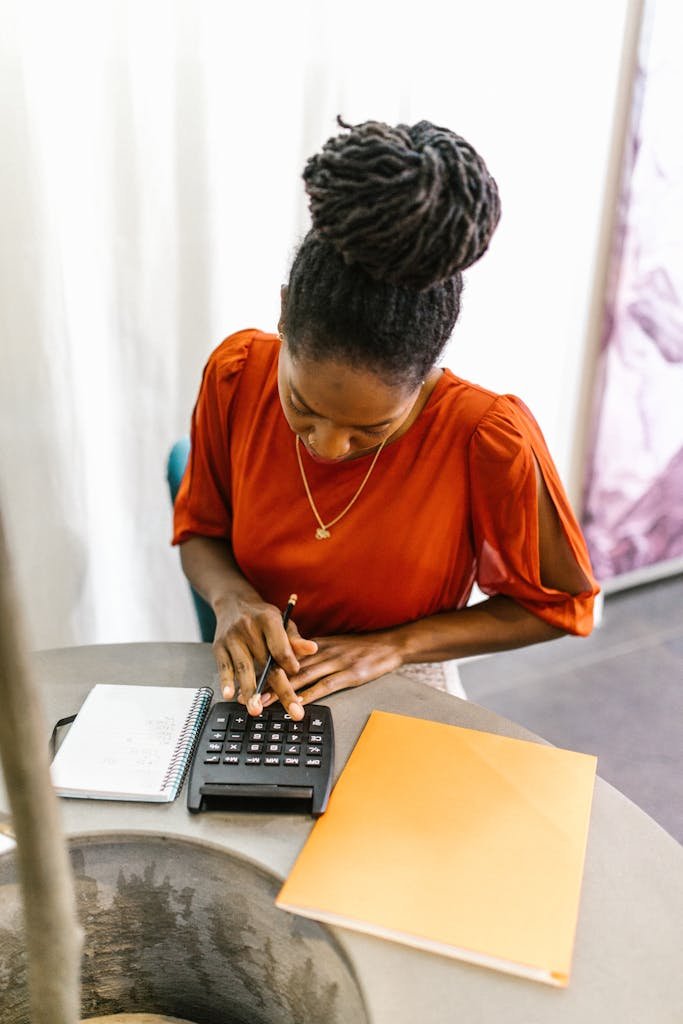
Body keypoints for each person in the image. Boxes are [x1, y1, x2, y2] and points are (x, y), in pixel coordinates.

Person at [172, 117, 599, 721]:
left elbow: (559, 605)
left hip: (403, 678)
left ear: (427, 372)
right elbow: (200, 530)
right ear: (285, 313)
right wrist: (232, 598)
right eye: (303, 407)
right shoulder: (237, 374)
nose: (326, 445)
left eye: (370, 431)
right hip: (259, 683)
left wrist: (396, 645)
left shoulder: (484, 437)